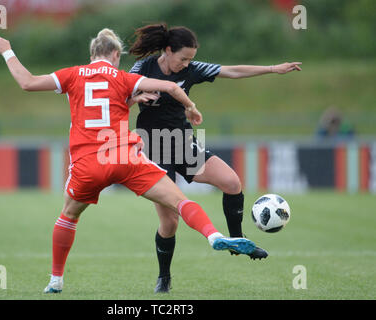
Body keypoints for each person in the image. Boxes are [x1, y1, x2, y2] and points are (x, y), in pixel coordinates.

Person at [0, 28, 256, 294]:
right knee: (180, 201)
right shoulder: (122, 77)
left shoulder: (71, 75)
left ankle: (55, 280)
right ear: (116, 54)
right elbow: (172, 87)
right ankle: (214, 235)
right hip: (122, 156)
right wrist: (191, 106)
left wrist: (7, 51)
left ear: (92, 53)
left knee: (68, 216)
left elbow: (27, 82)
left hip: (88, 163)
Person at [128, 23, 302, 293]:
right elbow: (119, 95)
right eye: (183, 58)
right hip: (153, 148)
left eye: (191, 59)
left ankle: (238, 240)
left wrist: (272, 69)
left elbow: (230, 71)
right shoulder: (142, 69)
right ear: (167, 50)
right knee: (170, 222)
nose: (187, 63)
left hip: (183, 143)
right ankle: (164, 277)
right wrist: (138, 97)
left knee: (231, 182)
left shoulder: (191, 69)